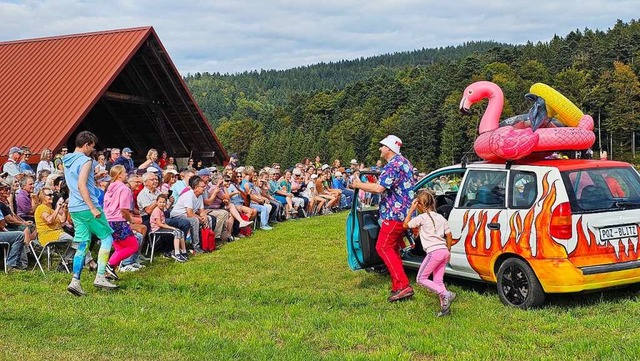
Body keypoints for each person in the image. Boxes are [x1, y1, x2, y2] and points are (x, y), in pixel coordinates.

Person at [352, 135, 415, 302]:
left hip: (395, 214)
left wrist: (358, 185)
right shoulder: (404, 162)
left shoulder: (393, 165)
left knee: (383, 247)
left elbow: (379, 188)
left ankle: (403, 286)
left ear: (389, 149)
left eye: (382, 146)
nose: (380, 149)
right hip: (405, 213)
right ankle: (397, 284)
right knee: (392, 248)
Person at [63, 131, 117, 296]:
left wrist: (94, 177)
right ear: (86, 145)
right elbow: (81, 185)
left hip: (74, 207)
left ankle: (75, 281)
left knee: (82, 244)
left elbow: (77, 180)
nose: (92, 151)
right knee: (107, 238)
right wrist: (93, 208)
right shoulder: (86, 160)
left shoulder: (67, 160)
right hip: (87, 206)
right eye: (92, 147)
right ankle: (100, 276)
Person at [404, 190, 456, 317]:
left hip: (433, 252)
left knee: (421, 278)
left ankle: (446, 294)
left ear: (420, 205)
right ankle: (445, 310)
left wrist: (411, 209)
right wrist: (448, 250)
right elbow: (449, 235)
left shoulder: (422, 218)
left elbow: (405, 225)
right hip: (444, 251)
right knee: (438, 280)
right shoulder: (441, 217)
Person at [103, 165, 141, 277]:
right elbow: (124, 209)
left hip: (108, 220)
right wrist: (131, 219)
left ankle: (109, 271)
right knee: (133, 246)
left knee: (119, 247)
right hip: (119, 221)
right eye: (124, 173)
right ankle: (110, 265)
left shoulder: (109, 188)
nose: (126, 174)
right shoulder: (124, 189)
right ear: (119, 175)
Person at [150, 194, 187, 262]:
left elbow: (163, 223)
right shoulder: (156, 211)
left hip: (161, 227)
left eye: (164, 202)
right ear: (156, 202)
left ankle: (184, 252)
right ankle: (177, 253)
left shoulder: (161, 210)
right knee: (176, 232)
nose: (162, 204)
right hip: (157, 229)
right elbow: (159, 224)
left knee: (180, 232)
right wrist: (172, 228)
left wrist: (172, 228)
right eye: (160, 202)